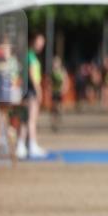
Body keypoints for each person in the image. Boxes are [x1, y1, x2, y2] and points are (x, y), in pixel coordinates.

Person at [18, 32, 47, 160]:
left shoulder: (31, 55)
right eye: (39, 41)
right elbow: (31, 75)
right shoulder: (30, 55)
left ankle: (21, 145)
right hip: (31, 91)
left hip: (29, 90)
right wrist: (38, 90)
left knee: (25, 119)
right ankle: (32, 145)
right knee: (31, 119)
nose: (41, 45)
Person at [50, 56, 68, 132]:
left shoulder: (62, 71)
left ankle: (59, 116)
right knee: (54, 108)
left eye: (56, 63)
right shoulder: (52, 72)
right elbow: (50, 82)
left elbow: (65, 80)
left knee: (59, 107)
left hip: (60, 92)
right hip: (54, 92)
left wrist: (64, 88)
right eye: (54, 63)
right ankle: (54, 123)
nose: (55, 64)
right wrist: (49, 89)